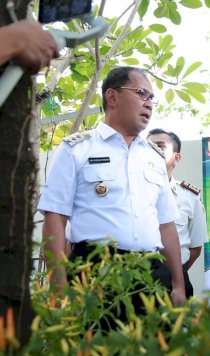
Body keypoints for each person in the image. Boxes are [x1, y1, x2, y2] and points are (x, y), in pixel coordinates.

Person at [38, 66, 186, 307]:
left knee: (150, 344)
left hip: (149, 273)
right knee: (96, 344)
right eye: (141, 93)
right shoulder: (76, 149)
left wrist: (178, 285)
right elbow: (55, 218)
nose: (149, 103)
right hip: (94, 273)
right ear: (112, 96)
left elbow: (166, 225)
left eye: (152, 98)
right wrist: (59, 289)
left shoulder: (154, 157)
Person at [147, 128, 209, 298]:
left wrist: (174, 273)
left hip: (175, 282)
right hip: (137, 280)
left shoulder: (190, 196)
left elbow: (195, 248)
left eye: (160, 146)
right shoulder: (130, 192)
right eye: (148, 146)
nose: (153, 151)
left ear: (176, 158)